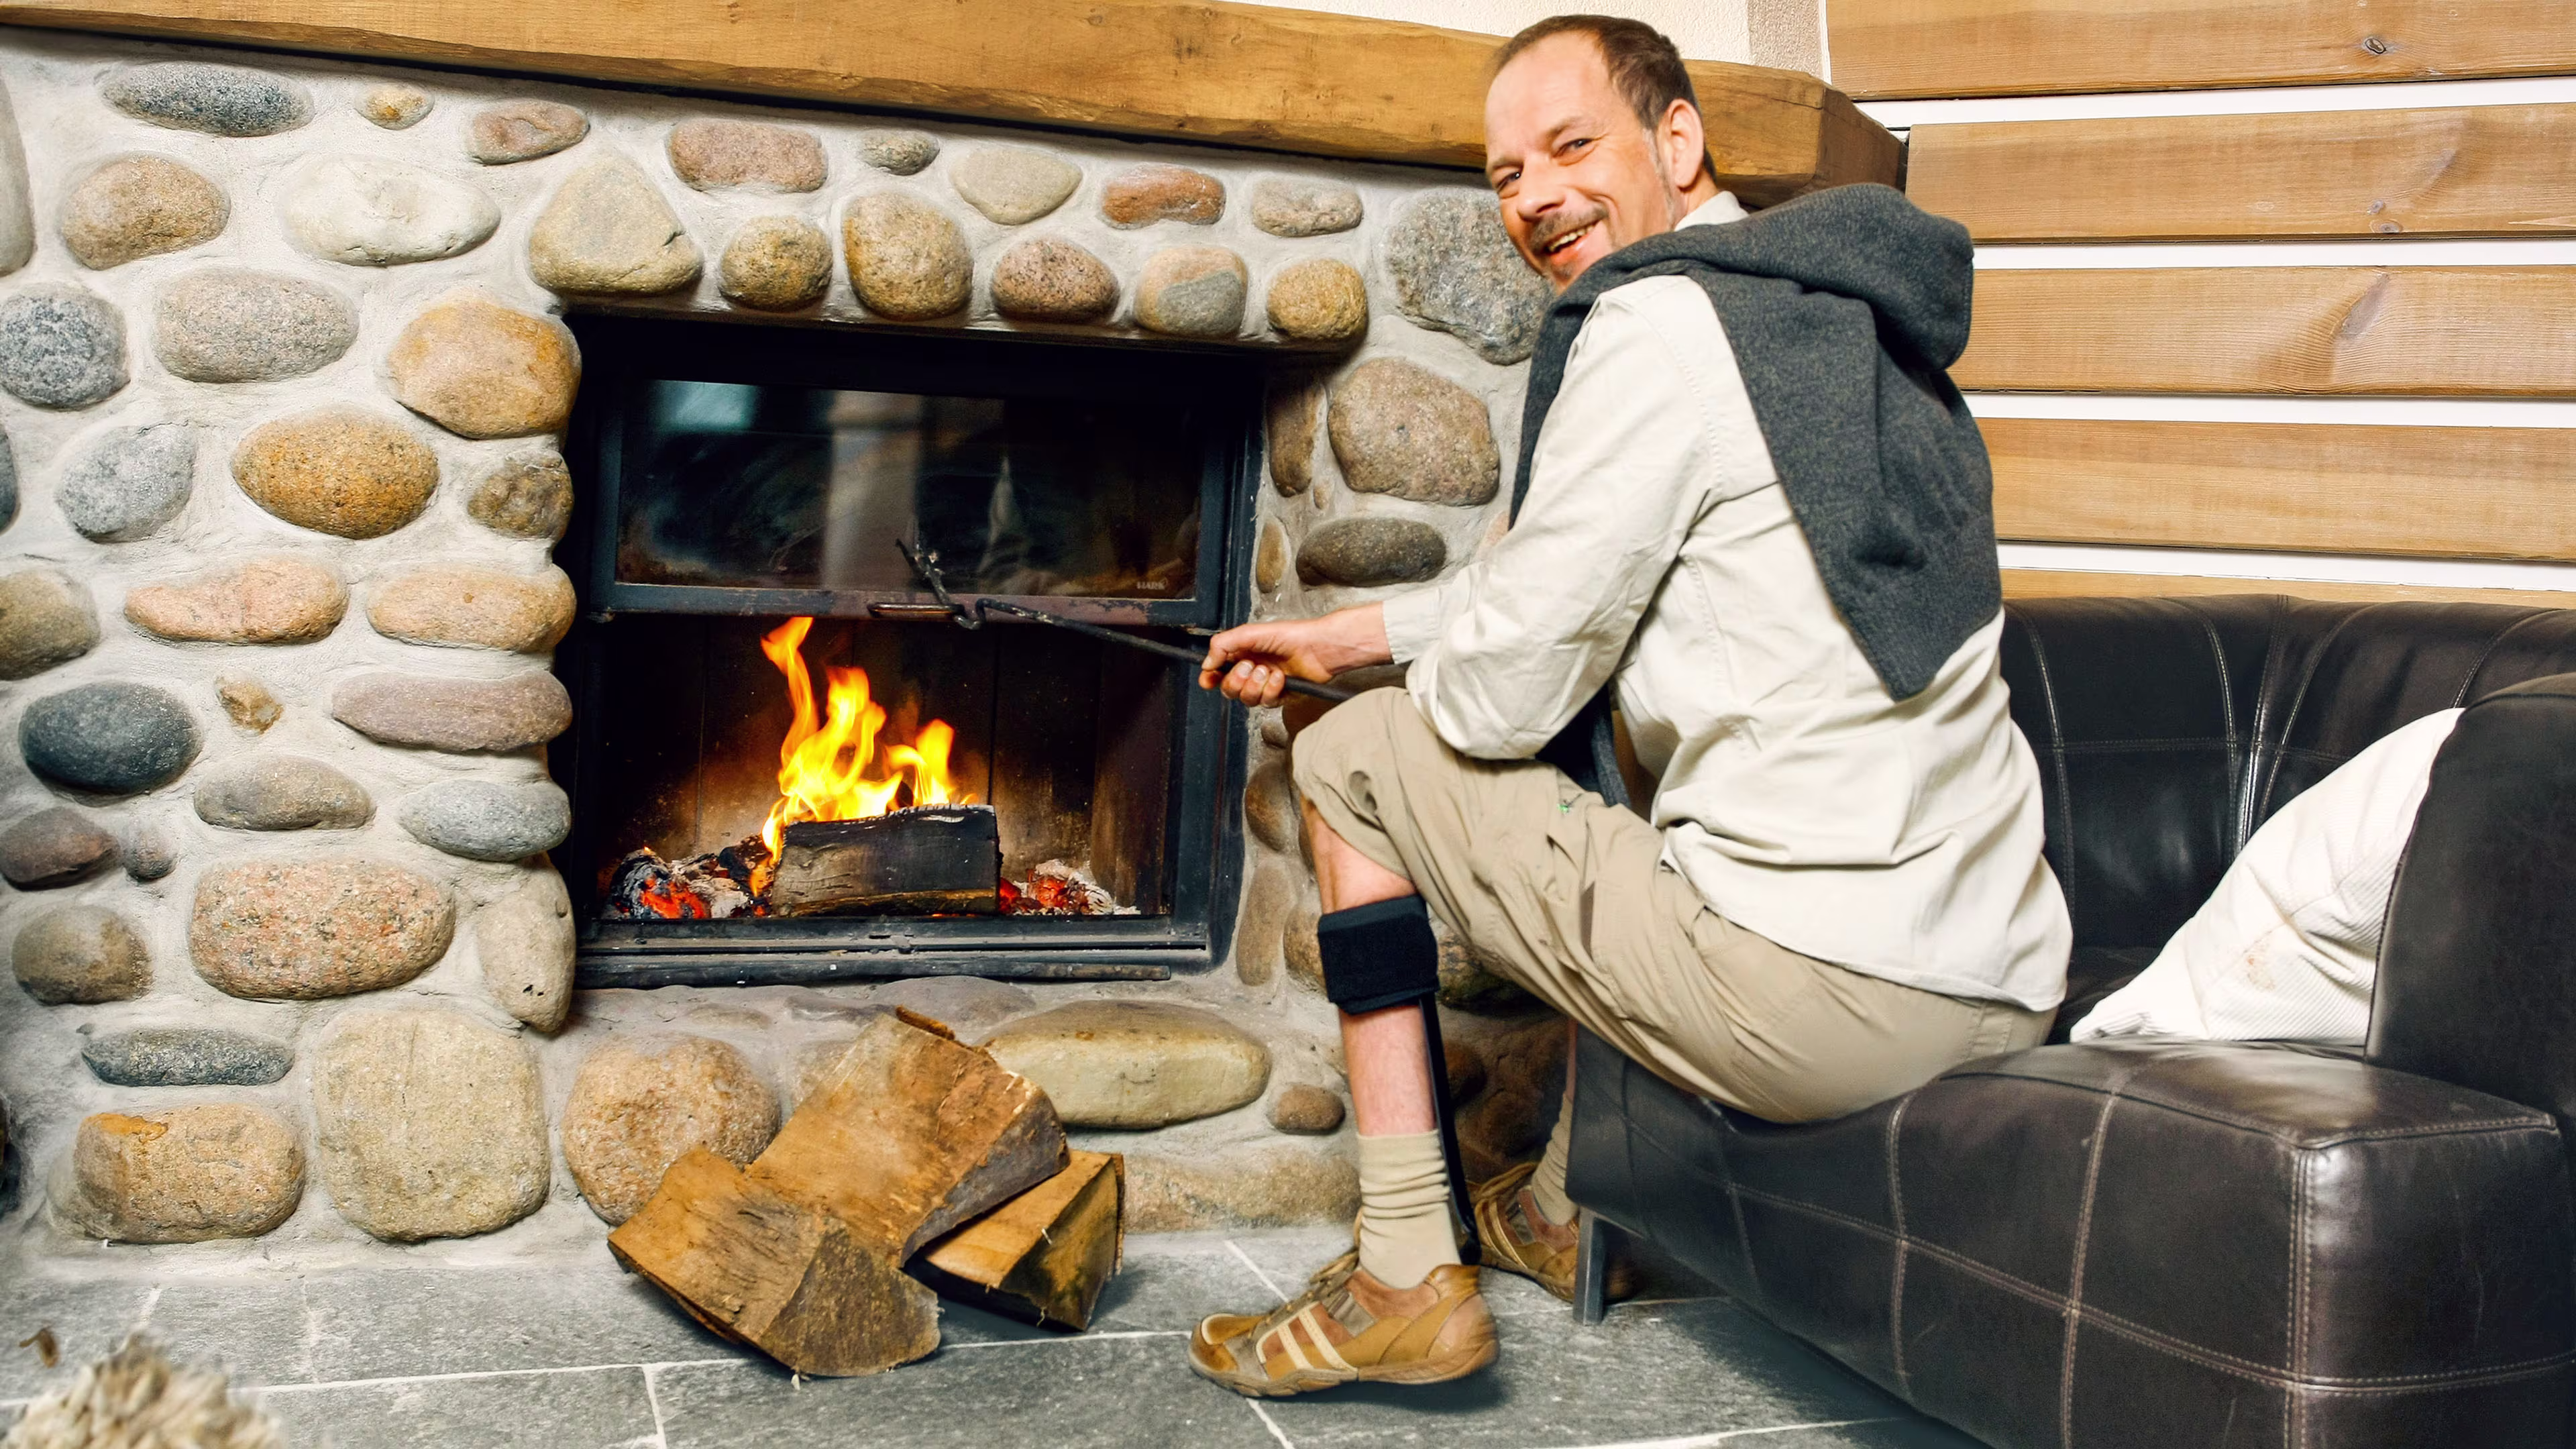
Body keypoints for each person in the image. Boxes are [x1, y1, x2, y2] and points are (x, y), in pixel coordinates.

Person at [1185, 15, 2072, 1398]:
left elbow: (1499, 699)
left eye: (1570, 146)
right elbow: (1568, 594)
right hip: (2000, 978)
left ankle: (1404, 1270)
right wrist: (1349, 633)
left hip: (1830, 1004)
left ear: (1679, 137)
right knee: (1645, 774)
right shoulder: (1819, 312)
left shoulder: (1657, 329)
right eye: (1505, 174)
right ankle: (1559, 1207)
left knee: (1354, 751)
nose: (1535, 196)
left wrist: (1373, 686)